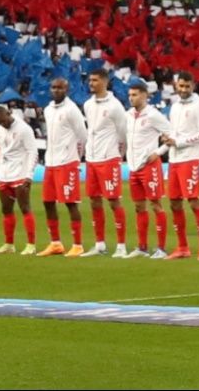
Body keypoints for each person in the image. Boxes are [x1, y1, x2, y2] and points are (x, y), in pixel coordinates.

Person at [39, 76, 88, 256]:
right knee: (48, 202)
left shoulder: (72, 109)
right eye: (53, 87)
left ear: (66, 89)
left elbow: (83, 136)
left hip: (67, 163)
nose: (56, 90)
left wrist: (76, 158)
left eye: (60, 88)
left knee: (70, 203)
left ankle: (77, 244)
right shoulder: (48, 110)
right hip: (50, 163)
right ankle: (56, 243)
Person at [82, 72, 129, 257]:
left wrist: (118, 155)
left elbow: (123, 134)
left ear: (105, 82)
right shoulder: (87, 104)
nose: (91, 83)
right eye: (90, 80)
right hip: (92, 160)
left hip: (109, 158)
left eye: (95, 80)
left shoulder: (115, 106)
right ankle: (100, 244)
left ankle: (121, 245)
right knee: (94, 200)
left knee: (113, 200)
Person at [124, 80, 171, 257]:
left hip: (149, 166)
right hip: (134, 166)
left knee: (156, 204)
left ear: (144, 95)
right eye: (130, 95)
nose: (131, 98)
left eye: (134, 95)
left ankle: (161, 248)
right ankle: (142, 247)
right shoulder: (128, 115)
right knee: (138, 207)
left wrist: (159, 152)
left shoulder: (153, 115)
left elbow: (171, 134)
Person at [0, 103, 40, 254]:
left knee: (25, 208)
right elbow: (1, 153)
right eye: (0, 123)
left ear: (9, 113)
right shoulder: (0, 130)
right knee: (6, 209)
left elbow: (32, 152)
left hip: (20, 174)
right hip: (4, 174)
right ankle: (9, 244)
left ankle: (31, 245)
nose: (3, 125)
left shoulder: (24, 129)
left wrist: (29, 175)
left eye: (4, 121)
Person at [166, 75, 199, 260]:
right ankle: (183, 247)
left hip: (190, 159)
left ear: (193, 85)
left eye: (187, 86)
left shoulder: (198, 105)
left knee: (193, 201)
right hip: (174, 160)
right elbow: (173, 134)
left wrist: (179, 142)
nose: (183, 89)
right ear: (176, 85)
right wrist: (161, 149)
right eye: (181, 86)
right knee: (174, 202)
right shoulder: (174, 107)